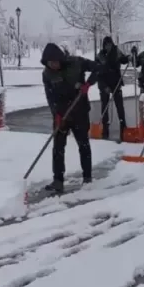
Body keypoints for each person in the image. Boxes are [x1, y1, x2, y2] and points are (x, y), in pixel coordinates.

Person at [41, 42, 100, 194]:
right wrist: (57, 114)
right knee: (58, 147)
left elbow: (98, 68)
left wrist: (88, 84)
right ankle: (58, 180)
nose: (53, 65)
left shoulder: (76, 63)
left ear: (60, 58)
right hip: (61, 114)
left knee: (83, 144)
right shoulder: (47, 74)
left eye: (55, 61)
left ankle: (87, 177)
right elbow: (50, 96)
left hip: (79, 110)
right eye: (50, 63)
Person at [95, 36, 130, 141]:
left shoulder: (117, 52)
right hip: (104, 84)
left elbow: (124, 60)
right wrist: (104, 87)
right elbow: (97, 73)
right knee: (104, 108)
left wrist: (129, 56)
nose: (108, 47)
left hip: (116, 83)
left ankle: (123, 128)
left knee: (120, 107)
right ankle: (105, 130)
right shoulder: (100, 56)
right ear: (104, 46)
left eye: (110, 44)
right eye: (106, 45)